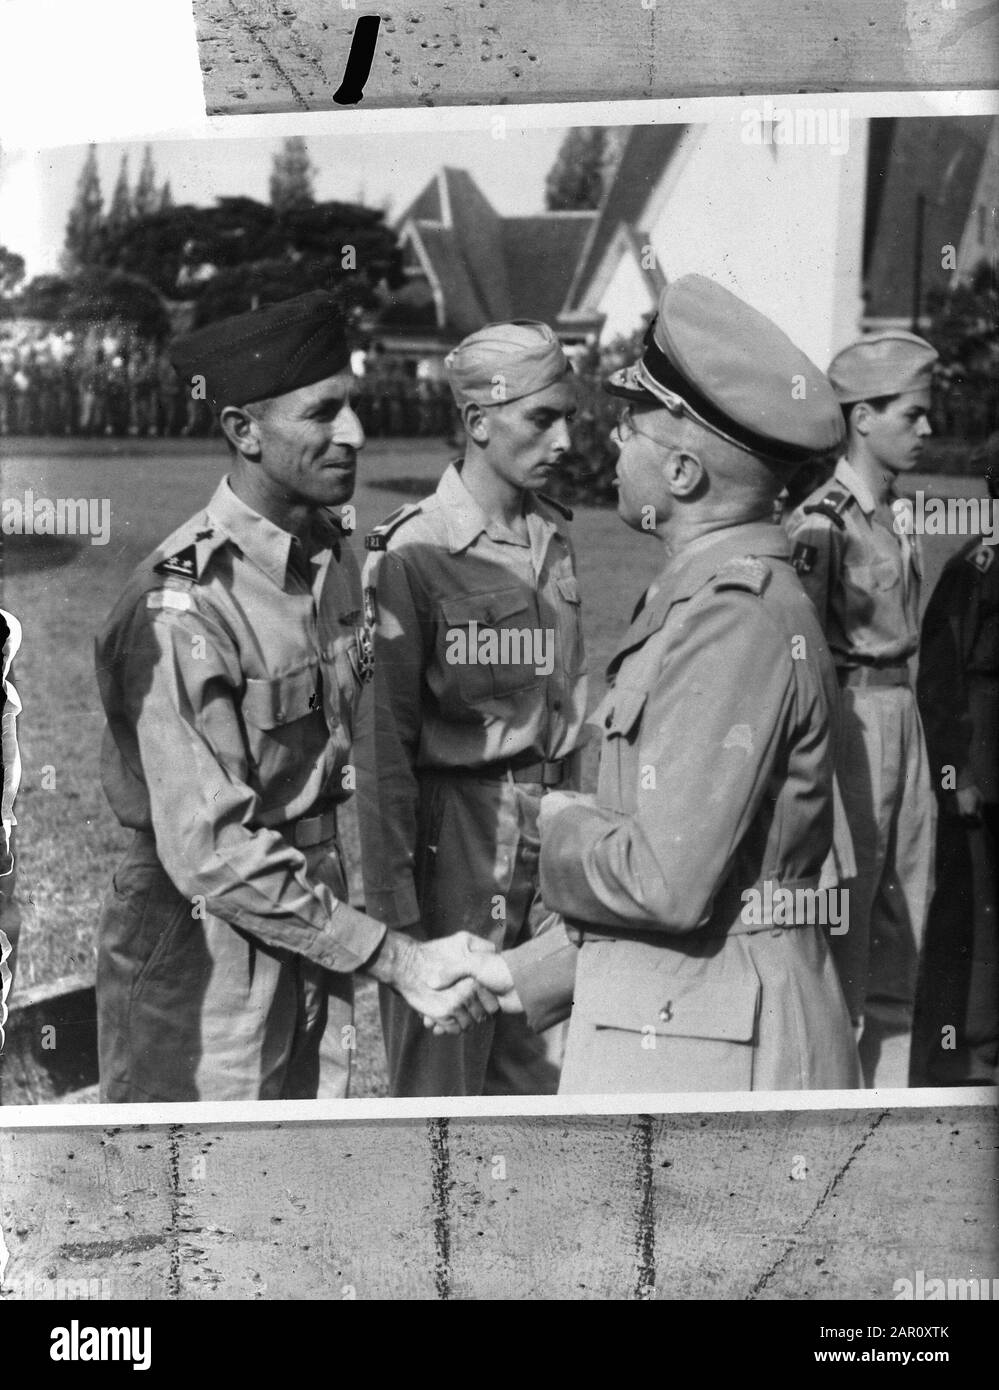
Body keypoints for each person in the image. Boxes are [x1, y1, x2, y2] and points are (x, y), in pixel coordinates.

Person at [440, 276, 860, 1095]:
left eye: (632, 426)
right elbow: (708, 878)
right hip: (689, 1022)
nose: (612, 441)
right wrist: (521, 977)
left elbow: (667, 884)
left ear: (680, 473)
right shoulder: (709, 599)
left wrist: (554, 822)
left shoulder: (732, 620)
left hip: (714, 1048)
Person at [94, 291, 496, 1104]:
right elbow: (211, 853)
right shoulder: (182, 607)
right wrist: (401, 959)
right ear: (243, 431)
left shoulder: (329, 553)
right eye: (322, 415)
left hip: (306, 915)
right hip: (201, 951)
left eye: (349, 408)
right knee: (198, 1201)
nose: (352, 434)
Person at [356, 320, 589, 1096]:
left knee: (544, 1085)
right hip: (455, 841)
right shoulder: (412, 554)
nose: (562, 438)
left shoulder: (553, 537)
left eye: (568, 417)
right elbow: (382, 745)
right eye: (541, 418)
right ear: (478, 422)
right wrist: (398, 915)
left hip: (550, 832)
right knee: (441, 1088)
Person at [784, 330, 938, 1088]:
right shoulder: (824, 521)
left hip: (902, 719)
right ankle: (837, 1099)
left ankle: (890, 1098)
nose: (926, 429)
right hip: (851, 718)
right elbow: (802, 654)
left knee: (907, 913)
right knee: (846, 914)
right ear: (862, 416)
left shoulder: (896, 514)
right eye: (911, 415)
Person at [911, 435, 999, 1086]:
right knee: (972, 913)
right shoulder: (976, 566)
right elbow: (940, 679)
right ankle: (966, 1050)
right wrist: (957, 774)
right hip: (980, 772)